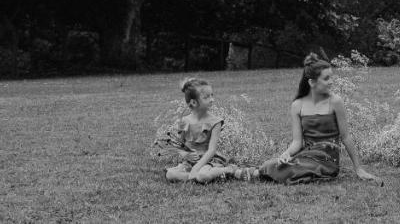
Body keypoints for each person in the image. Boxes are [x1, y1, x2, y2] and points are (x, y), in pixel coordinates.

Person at [260, 53, 381, 185]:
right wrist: (286, 154)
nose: (331, 81)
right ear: (312, 82)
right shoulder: (297, 105)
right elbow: (297, 142)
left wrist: (359, 169)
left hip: (327, 162)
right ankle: (245, 172)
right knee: (275, 164)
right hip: (306, 156)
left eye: (331, 77)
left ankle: (252, 173)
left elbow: (346, 137)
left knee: (276, 168)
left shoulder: (335, 102)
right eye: (326, 78)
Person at [163, 77, 255, 183]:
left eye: (212, 95)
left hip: (208, 161)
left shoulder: (215, 122)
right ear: (193, 102)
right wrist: (185, 154)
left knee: (202, 175)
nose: (212, 99)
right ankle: (201, 177)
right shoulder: (184, 121)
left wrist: (197, 167)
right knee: (170, 174)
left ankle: (229, 169)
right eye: (207, 97)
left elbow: (212, 150)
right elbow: (180, 145)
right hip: (190, 162)